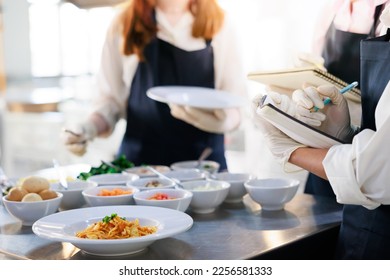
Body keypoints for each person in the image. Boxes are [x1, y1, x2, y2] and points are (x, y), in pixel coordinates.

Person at [252, 5, 390, 259]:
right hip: (342, 171)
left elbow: (375, 173)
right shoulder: (336, 10)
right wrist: (343, 134)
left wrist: (290, 150)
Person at [61, 0, 246, 170]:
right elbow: (109, 101)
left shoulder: (220, 23)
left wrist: (225, 121)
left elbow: (235, 101)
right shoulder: (124, 22)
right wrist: (88, 128)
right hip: (140, 168)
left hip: (204, 168)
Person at [299, 0, 390, 198]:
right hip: (323, 142)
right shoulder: (330, 11)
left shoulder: (385, 14)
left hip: (368, 142)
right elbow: (318, 67)